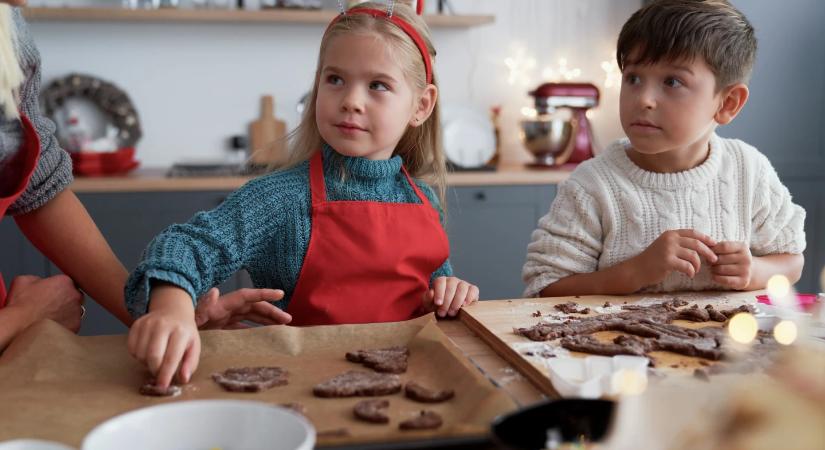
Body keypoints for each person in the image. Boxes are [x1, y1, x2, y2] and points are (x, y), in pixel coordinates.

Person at [125, 0, 479, 389]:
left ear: (421, 105)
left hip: (408, 385)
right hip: (303, 388)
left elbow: (434, 287)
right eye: (335, 79)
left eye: (377, 85)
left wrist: (449, 292)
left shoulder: (423, 200)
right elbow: (183, 246)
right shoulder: (281, 198)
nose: (351, 100)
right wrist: (172, 308)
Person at [0, 1, 286, 352]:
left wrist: (159, 315)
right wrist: (26, 316)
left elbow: (38, 188)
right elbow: (182, 246)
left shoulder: (8, 30)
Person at [522, 0, 805, 298]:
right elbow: (546, 287)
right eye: (633, 78)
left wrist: (755, 272)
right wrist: (636, 271)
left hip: (727, 343)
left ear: (727, 103)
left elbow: (791, 261)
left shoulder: (749, 170)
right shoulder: (591, 185)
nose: (643, 98)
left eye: (672, 81)